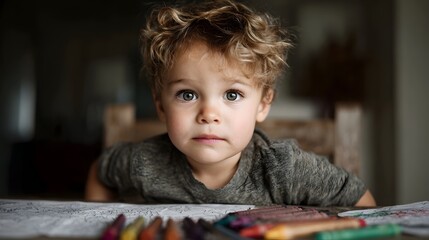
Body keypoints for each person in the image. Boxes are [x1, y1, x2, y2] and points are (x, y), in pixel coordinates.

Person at [85, 0, 375, 207]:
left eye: (232, 95)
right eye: (187, 94)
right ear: (160, 105)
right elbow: (101, 171)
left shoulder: (285, 168)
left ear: (263, 104)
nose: (209, 114)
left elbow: (361, 199)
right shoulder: (143, 163)